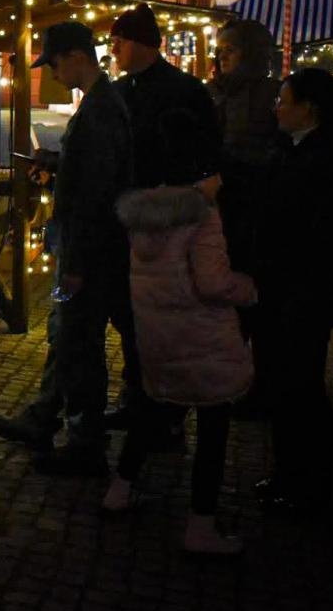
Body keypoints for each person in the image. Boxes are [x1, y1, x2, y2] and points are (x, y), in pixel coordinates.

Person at [103, 114, 256, 556]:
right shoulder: (202, 216)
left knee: (152, 410)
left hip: (160, 337)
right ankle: (201, 525)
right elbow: (213, 282)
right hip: (202, 338)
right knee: (213, 426)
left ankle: (119, 490)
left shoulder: (145, 214)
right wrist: (249, 289)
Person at [0, 21, 133, 477]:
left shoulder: (101, 108)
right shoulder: (102, 103)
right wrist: (56, 164)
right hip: (84, 247)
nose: (52, 72)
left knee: (78, 338)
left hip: (85, 252)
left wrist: (77, 265)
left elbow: (95, 193)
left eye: (53, 63)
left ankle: (85, 442)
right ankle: (48, 418)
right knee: (66, 333)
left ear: (76, 57)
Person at [252, 67, 333, 515]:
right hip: (283, 288)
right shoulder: (292, 149)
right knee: (285, 386)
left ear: (309, 109)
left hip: (304, 292)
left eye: (284, 101)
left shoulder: (327, 162)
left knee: (301, 387)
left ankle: (308, 484)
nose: (276, 109)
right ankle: (287, 474)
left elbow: (322, 234)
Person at [108, 4, 222, 434]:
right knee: (130, 315)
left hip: (168, 221)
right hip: (129, 218)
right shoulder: (120, 90)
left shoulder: (184, 90)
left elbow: (204, 155)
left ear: (139, 43)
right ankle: (138, 395)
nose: (113, 50)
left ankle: (166, 411)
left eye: (119, 42)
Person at [207, 19, 280, 275]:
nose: (222, 56)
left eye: (231, 50)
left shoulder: (273, 94)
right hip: (217, 198)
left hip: (258, 200)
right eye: (220, 50)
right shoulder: (211, 92)